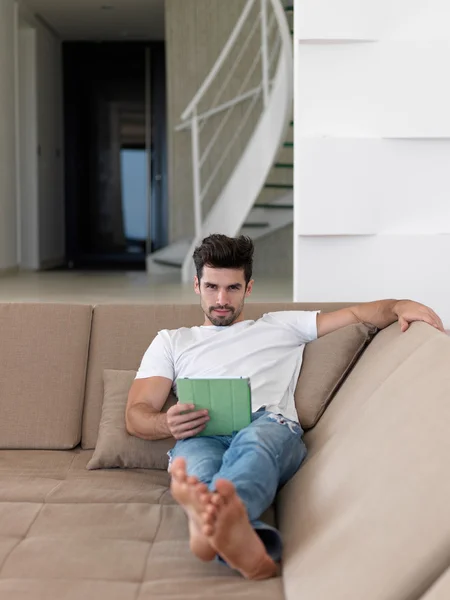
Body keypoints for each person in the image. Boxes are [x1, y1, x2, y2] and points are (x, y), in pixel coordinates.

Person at [126, 234, 444, 580]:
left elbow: (357, 313)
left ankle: (209, 527)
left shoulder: (281, 326)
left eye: (232, 288)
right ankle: (243, 542)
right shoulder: (172, 341)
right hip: (201, 432)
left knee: (254, 447)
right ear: (196, 285)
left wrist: (399, 304)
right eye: (212, 287)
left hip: (268, 423)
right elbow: (137, 413)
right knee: (198, 468)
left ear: (248, 288)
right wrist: (167, 425)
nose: (221, 299)